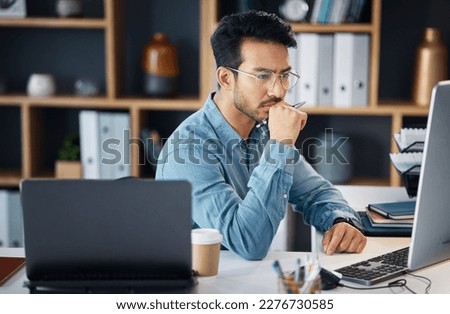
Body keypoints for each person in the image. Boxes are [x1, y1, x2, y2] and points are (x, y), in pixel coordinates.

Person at [156, 10, 366, 260]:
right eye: (262, 76)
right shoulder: (188, 149)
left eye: (284, 75)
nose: (278, 90)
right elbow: (247, 241)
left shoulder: (263, 131)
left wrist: (340, 220)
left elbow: (316, 193)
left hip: (246, 280)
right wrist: (280, 144)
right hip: (201, 287)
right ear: (225, 78)